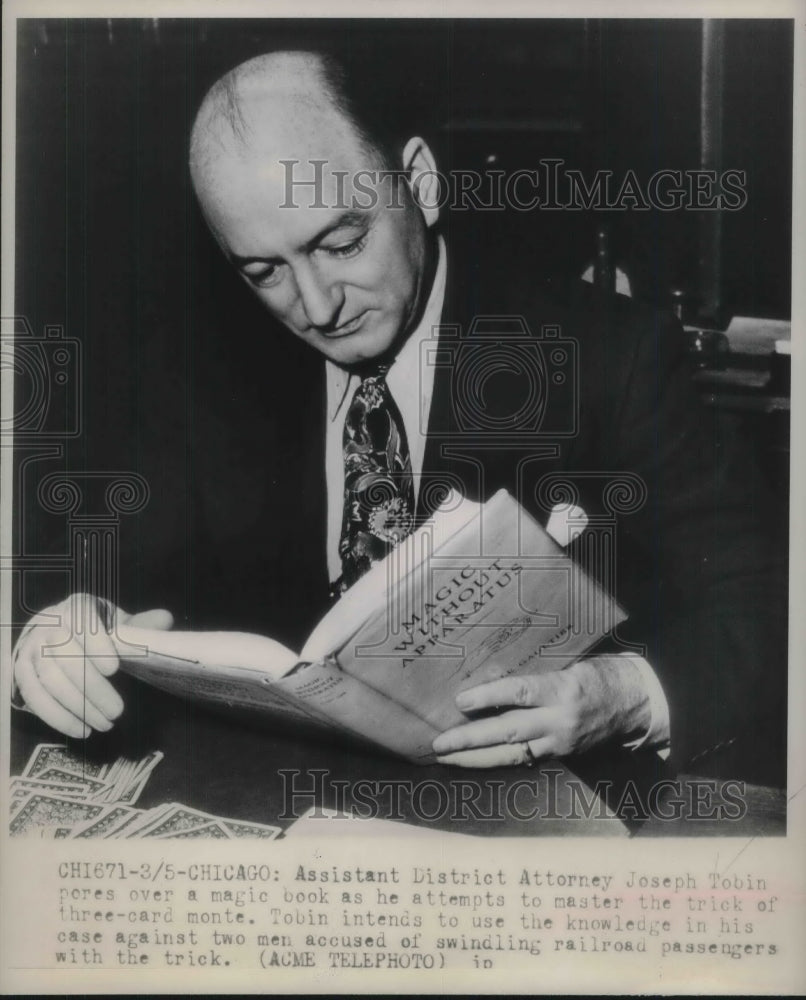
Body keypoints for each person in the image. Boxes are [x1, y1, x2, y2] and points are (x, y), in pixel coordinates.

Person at [12, 49, 787, 780]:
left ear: (418, 181)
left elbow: (765, 605)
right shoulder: (197, 370)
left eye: (342, 244)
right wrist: (59, 629)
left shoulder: (607, 356)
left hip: (538, 809)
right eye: (264, 272)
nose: (316, 307)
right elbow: (74, 561)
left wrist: (622, 694)